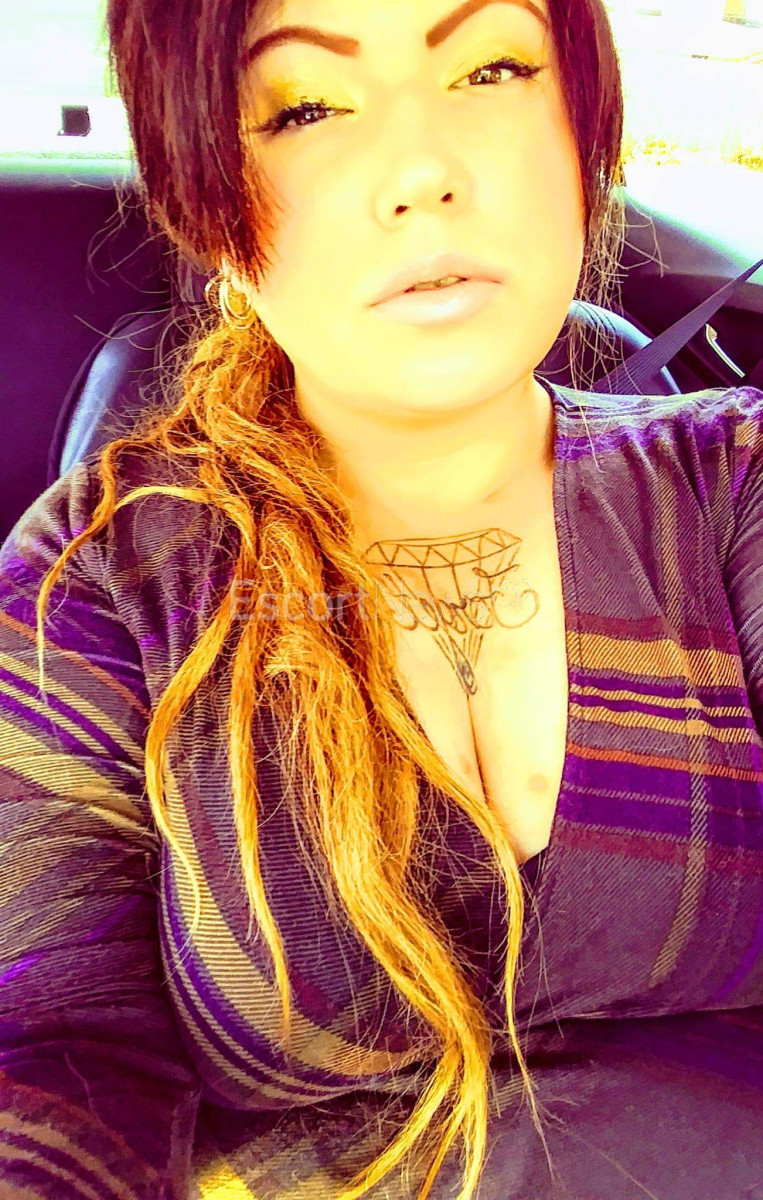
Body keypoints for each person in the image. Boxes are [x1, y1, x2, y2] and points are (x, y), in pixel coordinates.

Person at [0, 0, 761, 1195]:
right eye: (306, 107)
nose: (422, 173)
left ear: (584, 125)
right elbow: (45, 1054)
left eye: (492, 69)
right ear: (206, 202)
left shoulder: (730, 484)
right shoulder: (102, 573)